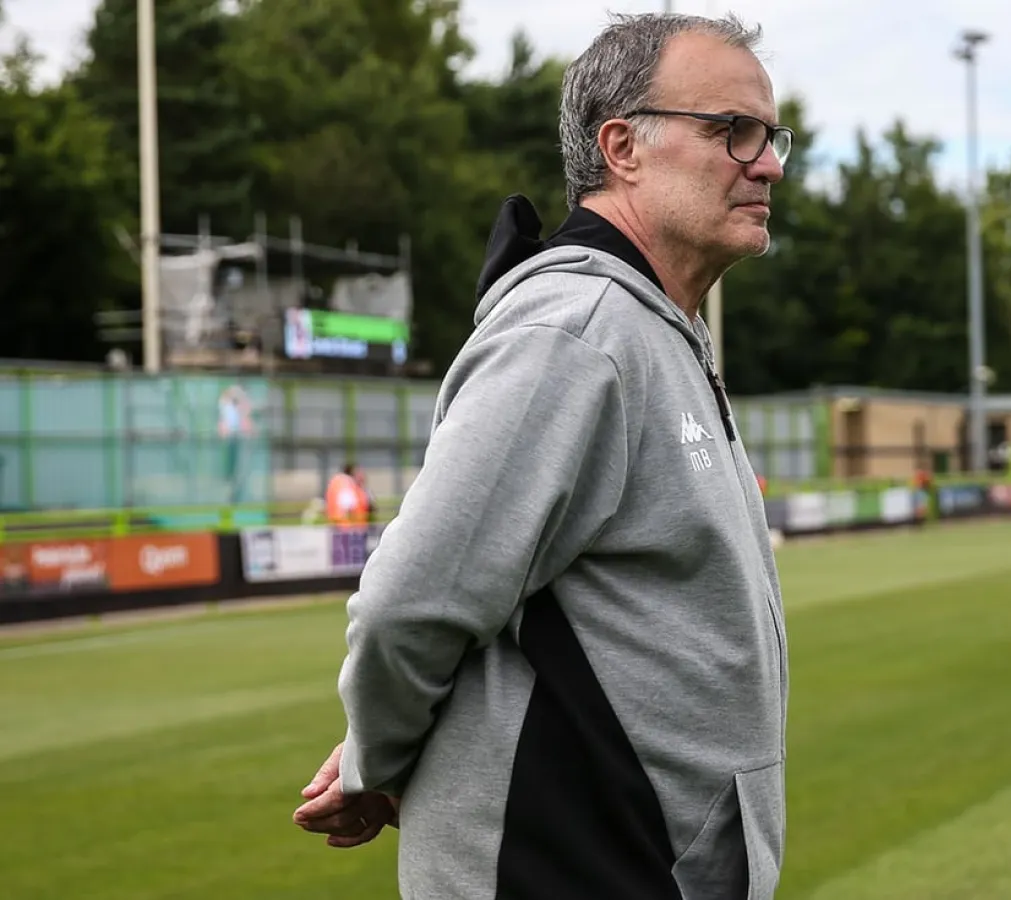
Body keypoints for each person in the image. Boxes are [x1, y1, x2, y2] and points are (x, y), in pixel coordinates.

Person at [291, 12, 791, 900]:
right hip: (564, 870)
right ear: (622, 146)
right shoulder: (577, 332)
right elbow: (410, 603)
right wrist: (377, 760)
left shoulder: (651, 331)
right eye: (733, 131)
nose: (769, 163)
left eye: (771, 134)